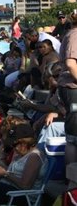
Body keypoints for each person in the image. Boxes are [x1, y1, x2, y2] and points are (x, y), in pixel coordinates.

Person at [57, 9, 77, 165]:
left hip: (70, 87)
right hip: (72, 88)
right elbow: (71, 63)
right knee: (73, 138)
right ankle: (71, 179)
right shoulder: (75, 35)